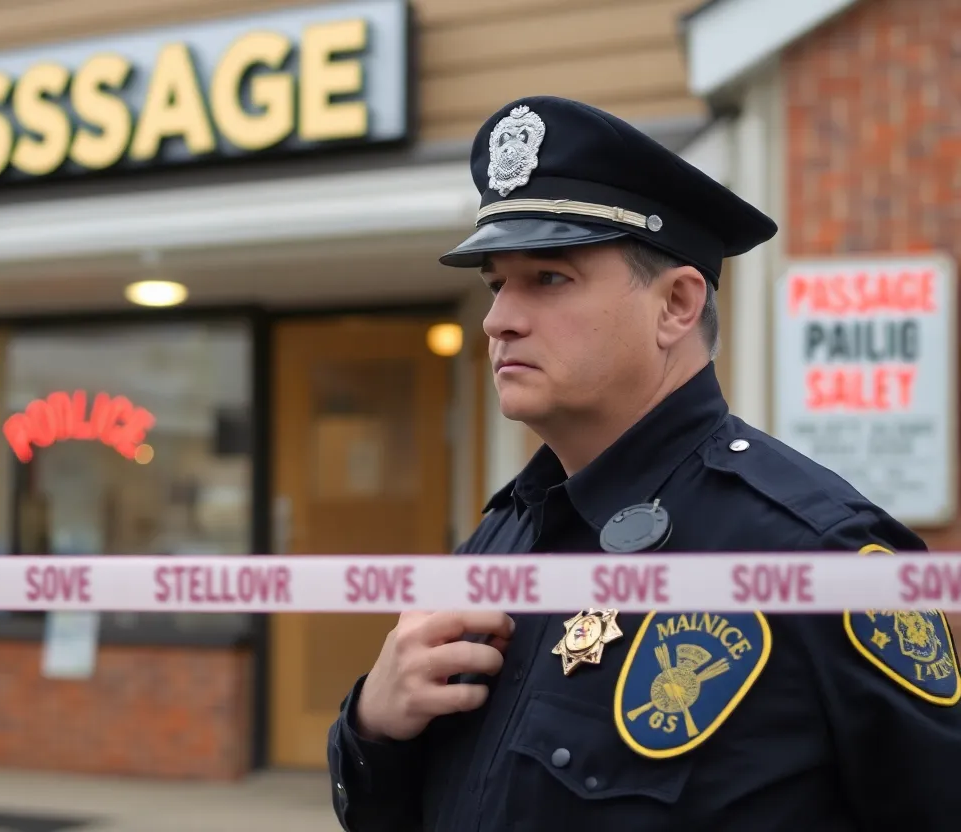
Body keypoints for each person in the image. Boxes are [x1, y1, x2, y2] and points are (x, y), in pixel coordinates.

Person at [325, 95, 961, 831]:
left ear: (677, 306)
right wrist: (374, 723)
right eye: (497, 283)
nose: (499, 318)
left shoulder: (821, 555)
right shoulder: (506, 533)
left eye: (549, 278)